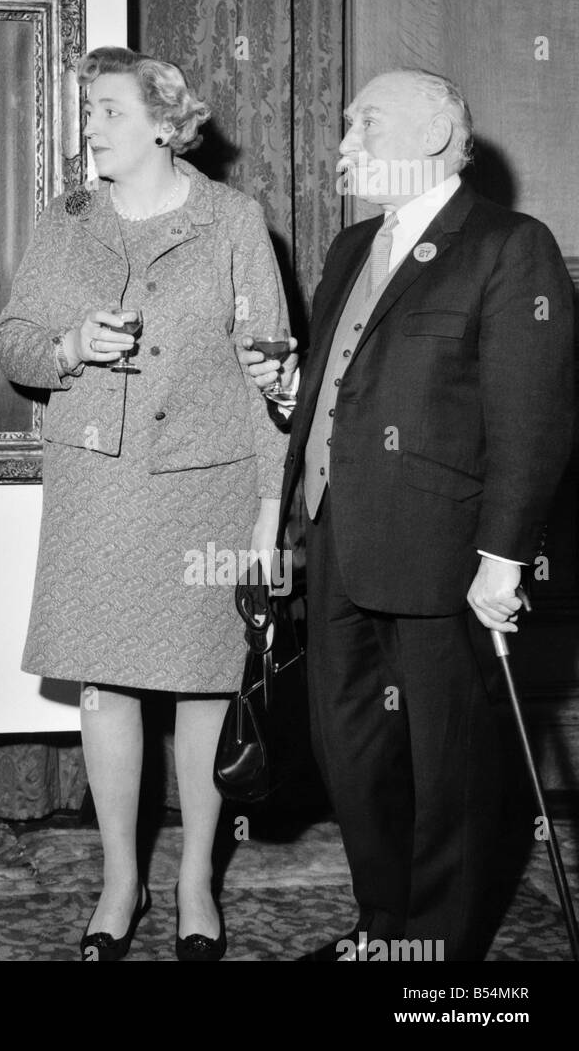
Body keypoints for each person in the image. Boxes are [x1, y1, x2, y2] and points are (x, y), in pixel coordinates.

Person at [241, 69, 574, 960]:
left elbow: (533, 418)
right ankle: (384, 930)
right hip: (333, 539)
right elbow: (349, 386)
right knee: (351, 753)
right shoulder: (354, 245)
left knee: (449, 769)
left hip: (444, 555)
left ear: (432, 135)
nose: (344, 140)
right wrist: (291, 402)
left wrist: (504, 559)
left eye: (365, 122)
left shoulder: (510, 246)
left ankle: (437, 954)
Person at [0, 46, 290, 961]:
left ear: (165, 122)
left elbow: (267, 366)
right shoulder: (66, 221)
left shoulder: (233, 220)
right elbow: (15, 347)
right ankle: (120, 879)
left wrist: (273, 503)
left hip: (209, 484)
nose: (93, 127)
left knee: (209, 686)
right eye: (88, 112)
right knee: (105, 683)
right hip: (98, 483)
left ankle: (197, 876)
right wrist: (72, 345)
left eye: (110, 111)